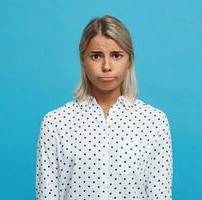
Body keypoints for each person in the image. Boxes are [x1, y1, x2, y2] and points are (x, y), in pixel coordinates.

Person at [36, 15, 173, 200]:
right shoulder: (55, 123)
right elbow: (47, 195)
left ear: (129, 60)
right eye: (96, 56)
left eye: (116, 55)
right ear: (83, 59)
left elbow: (160, 195)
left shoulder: (154, 122)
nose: (107, 66)